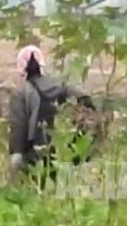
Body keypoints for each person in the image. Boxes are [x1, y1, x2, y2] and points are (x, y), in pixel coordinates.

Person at [9, 45, 93, 179]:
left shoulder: (21, 93)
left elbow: (18, 125)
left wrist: (16, 154)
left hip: (36, 153)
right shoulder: (61, 86)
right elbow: (85, 100)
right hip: (65, 150)